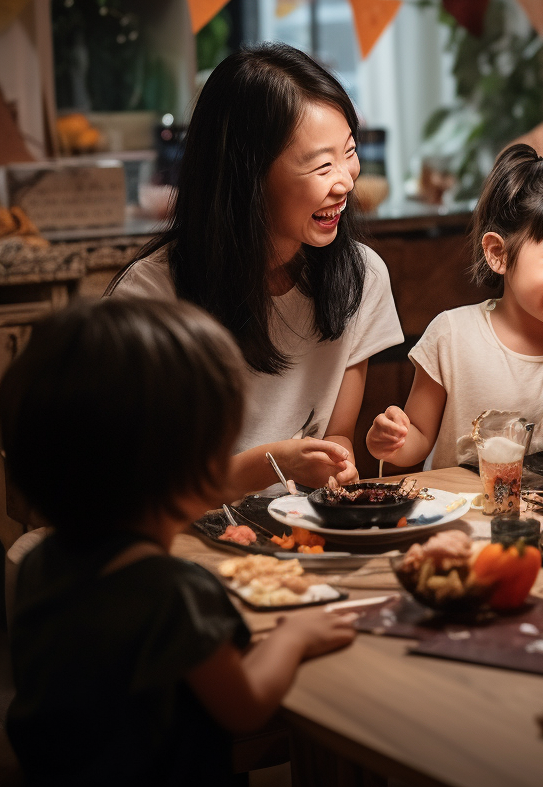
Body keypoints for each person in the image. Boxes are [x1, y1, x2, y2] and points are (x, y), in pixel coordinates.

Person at [1, 297, 359, 785]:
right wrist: (293, 637)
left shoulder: (40, 563)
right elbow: (245, 705)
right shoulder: (173, 592)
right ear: (185, 469)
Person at [110, 44, 404, 494]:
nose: (346, 181)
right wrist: (271, 464)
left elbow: (336, 436)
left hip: (300, 535)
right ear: (245, 175)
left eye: (349, 152)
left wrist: (337, 462)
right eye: (322, 165)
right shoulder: (150, 299)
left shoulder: (360, 278)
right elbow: (150, 485)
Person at [366, 144, 543, 469]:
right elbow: (418, 437)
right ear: (498, 253)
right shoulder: (451, 336)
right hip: (467, 517)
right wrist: (392, 440)